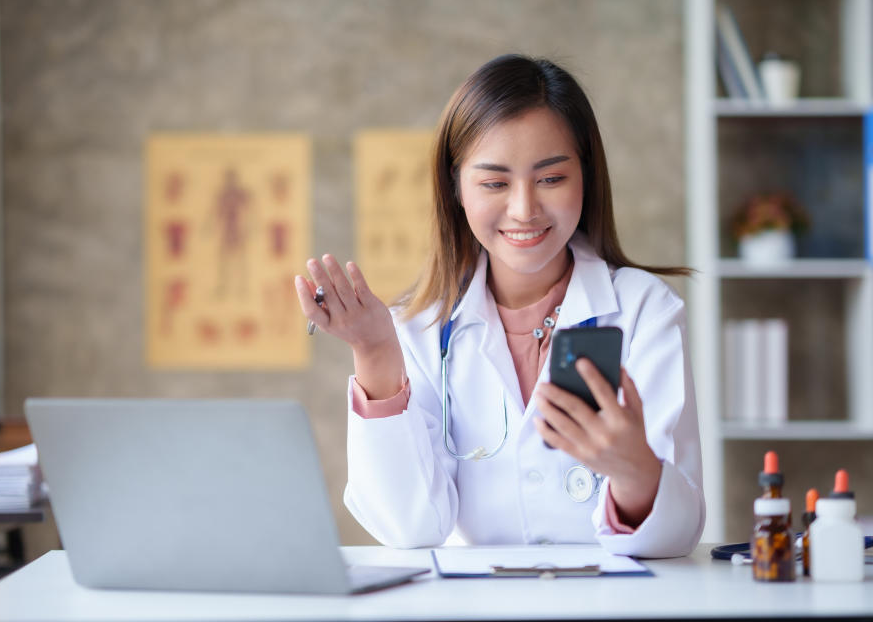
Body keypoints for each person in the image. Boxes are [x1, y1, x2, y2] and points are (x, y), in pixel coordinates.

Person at [294, 54, 704, 558]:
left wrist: (634, 467)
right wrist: (376, 352)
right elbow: (410, 527)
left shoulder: (644, 310)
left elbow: (677, 535)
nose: (524, 209)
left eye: (551, 179)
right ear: (455, 188)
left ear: (587, 177)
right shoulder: (422, 328)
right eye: (494, 183)